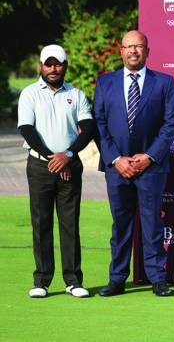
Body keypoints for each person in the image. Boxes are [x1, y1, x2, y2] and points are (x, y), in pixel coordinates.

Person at [93, 30, 174, 297]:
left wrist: (149, 156)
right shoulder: (105, 83)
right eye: (128, 47)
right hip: (116, 168)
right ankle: (117, 278)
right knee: (120, 225)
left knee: (152, 223)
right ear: (120, 51)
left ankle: (157, 278)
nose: (133, 51)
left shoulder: (164, 82)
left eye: (138, 46)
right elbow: (99, 124)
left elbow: (171, 124)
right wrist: (117, 159)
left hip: (151, 168)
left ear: (147, 50)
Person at [17, 44, 95, 298]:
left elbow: (88, 128)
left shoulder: (77, 94)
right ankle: (42, 280)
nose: (53, 68)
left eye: (58, 63)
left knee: (69, 223)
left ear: (65, 66)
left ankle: (73, 280)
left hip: (70, 165)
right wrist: (55, 159)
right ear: (41, 66)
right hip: (41, 165)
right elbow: (27, 129)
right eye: (48, 64)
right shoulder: (29, 94)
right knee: (41, 223)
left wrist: (68, 156)